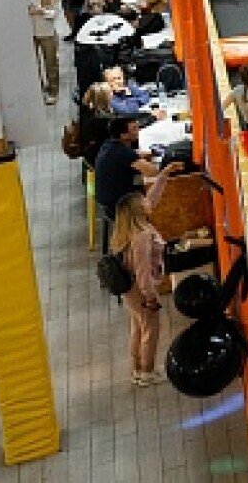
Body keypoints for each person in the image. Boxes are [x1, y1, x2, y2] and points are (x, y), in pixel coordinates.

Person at [111, 177, 177, 386]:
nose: (147, 202)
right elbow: (143, 273)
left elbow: (152, 200)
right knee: (150, 329)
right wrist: (151, 297)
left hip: (129, 291)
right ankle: (147, 371)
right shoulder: (142, 236)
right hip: (140, 291)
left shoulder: (127, 231)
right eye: (143, 202)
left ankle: (137, 370)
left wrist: (163, 176)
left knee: (138, 328)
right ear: (138, 210)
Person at [93, 116, 160, 247]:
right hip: (119, 205)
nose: (138, 130)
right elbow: (152, 172)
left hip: (107, 201)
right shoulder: (122, 152)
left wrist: (145, 154)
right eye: (134, 129)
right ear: (123, 135)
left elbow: (132, 155)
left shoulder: (109, 145)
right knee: (157, 194)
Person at [25, 0, 61, 104]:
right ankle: (38, 88)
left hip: (47, 32)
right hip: (30, 32)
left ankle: (53, 90)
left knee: (50, 63)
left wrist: (42, 11)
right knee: (33, 64)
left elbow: (56, 13)